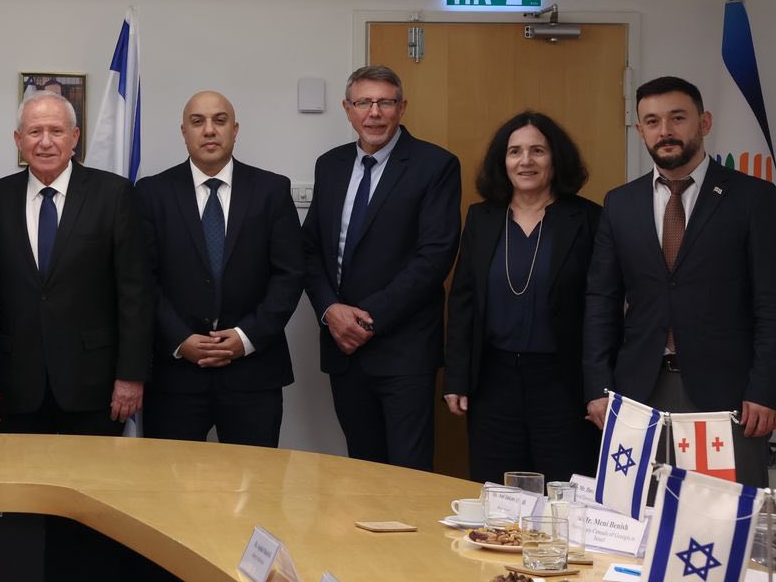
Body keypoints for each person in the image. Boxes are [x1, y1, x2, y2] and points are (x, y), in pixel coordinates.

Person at [583, 76, 776, 488]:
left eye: (677, 118)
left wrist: (766, 390)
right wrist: (597, 387)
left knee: (724, 517)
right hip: (638, 394)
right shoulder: (620, 203)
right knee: (638, 512)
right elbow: (600, 302)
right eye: (652, 121)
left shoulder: (753, 198)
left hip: (729, 397)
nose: (665, 131)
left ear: (705, 122)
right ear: (640, 129)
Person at [302, 65, 461, 471]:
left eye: (385, 102)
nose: (374, 112)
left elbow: (434, 257)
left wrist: (366, 320)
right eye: (363, 103)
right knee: (361, 470)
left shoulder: (435, 165)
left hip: (404, 350)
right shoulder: (329, 165)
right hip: (343, 348)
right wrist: (330, 311)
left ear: (401, 108)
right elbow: (310, 250)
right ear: (347, 109)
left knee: (408, 473)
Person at [136, 91, 302, 448]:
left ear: (235, 130)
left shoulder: (272, 190)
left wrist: (246, 337)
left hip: (253, 374)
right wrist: (179, 339)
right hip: (175, 376)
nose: (209, 130)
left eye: (220, 120)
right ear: (184, 132)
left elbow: (289, 275)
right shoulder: (151, 192)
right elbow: (142, 279)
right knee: (169, 480)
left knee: (254, 480)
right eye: (198, 122)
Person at [0, 92, 151, 436]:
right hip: (15, 385)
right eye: (34, 131)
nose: (45, 142)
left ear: (75, 137)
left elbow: (135, 293)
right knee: (19, 474)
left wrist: (131, 375)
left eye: (56, 131)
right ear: (18, 139)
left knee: (94, 473)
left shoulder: (114, 195)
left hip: (96, 385)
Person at [443, 111, 601, 484]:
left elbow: (601, 308)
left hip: (564, 385)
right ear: (503, 161)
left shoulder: (587, 219)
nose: (525, 161)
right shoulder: (482, 218)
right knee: (499, 494)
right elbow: (463, 303)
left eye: (537, 151)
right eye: (515, 151)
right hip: (492, 384)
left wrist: (599, 386)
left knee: (566, 493)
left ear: (556, 158)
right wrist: (456, 377)